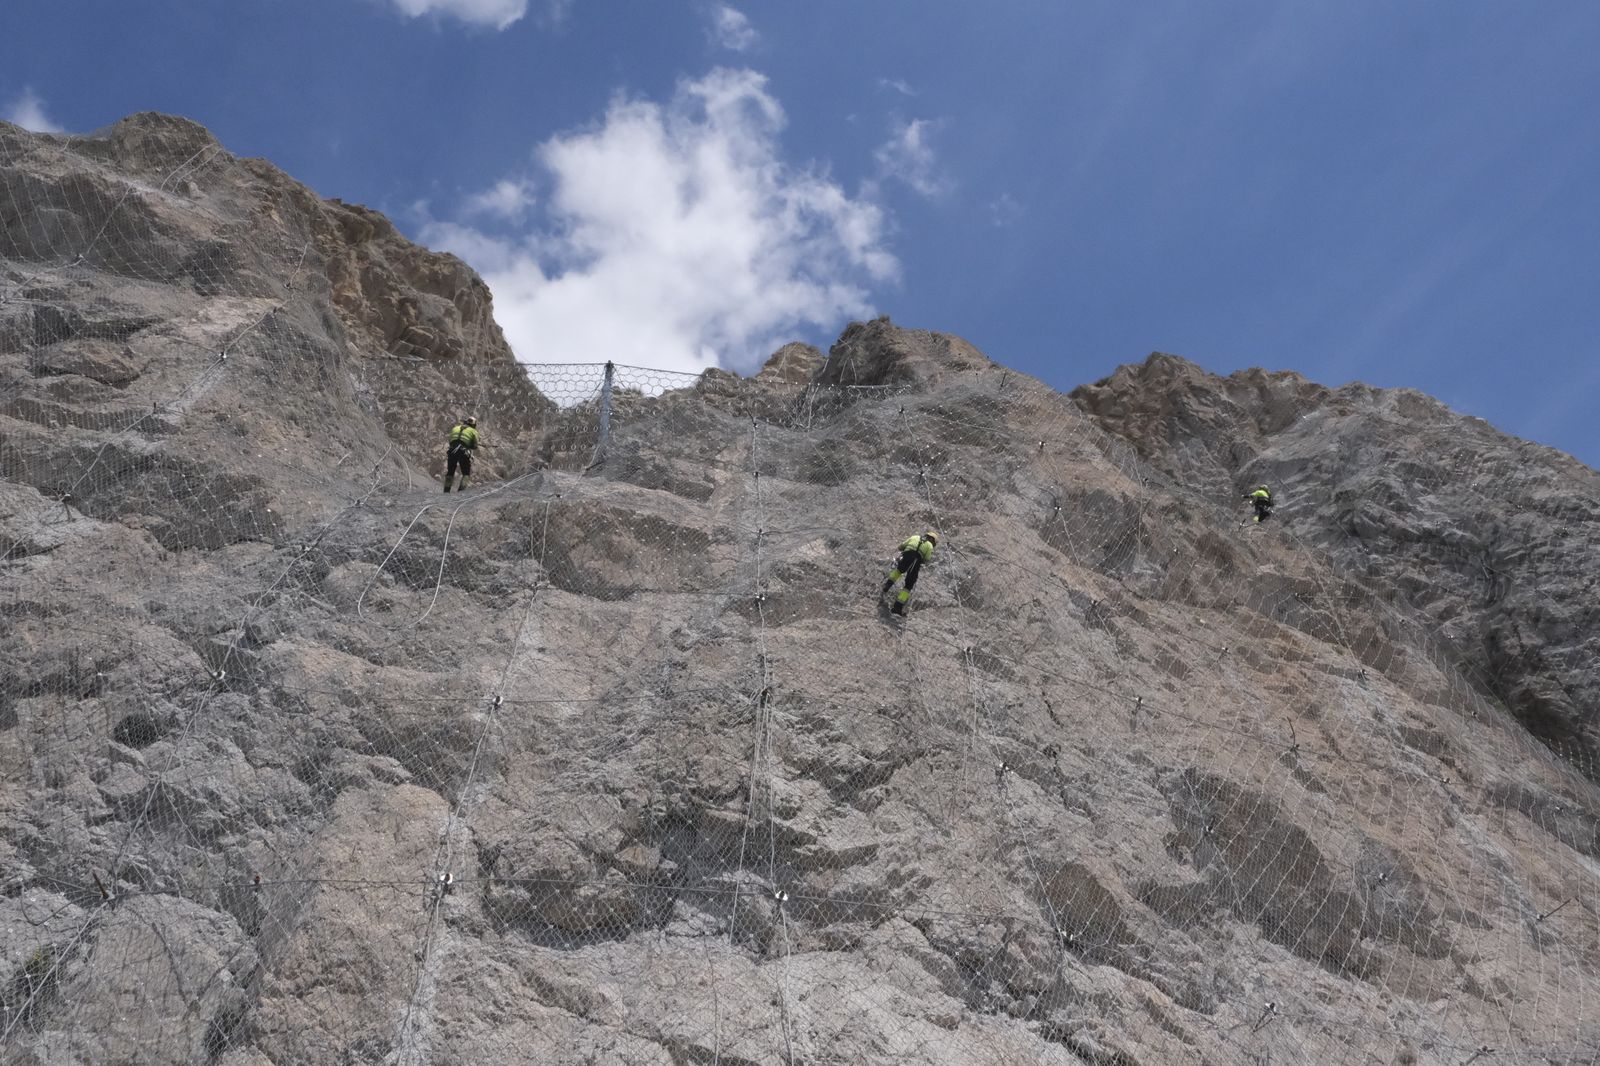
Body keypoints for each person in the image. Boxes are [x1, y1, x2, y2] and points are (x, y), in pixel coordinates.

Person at [881, 530, 939, 615]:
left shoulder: (915, 537)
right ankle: (897, 607)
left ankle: (887, 585)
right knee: (909, 585)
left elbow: (901, 546)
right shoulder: (929, 545)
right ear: (932, 540)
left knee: (899, 570)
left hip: (906, 555)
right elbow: (927, 559)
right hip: (915, 560)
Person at [444, 416, 479, 493]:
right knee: (466, 473)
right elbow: (475, 446)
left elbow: (450, 441)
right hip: (463, 452)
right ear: (474, 425)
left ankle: (446, 491)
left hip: (452, 450)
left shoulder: (455, 428)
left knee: (450, 472)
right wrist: (469, 444)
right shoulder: (474, 431)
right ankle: (461, 492)